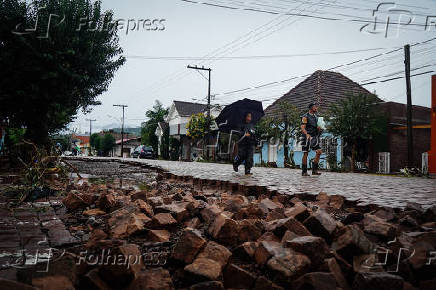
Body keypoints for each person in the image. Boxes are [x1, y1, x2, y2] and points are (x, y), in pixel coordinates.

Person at [301, 103, 323, 176]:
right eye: (315, 107)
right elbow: (303, 127)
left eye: (316, 107)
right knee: (306, 153)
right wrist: (307, 134)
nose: (316, 108)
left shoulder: (316, 117)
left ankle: (314, 170)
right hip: (306, 136)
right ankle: (304, 172)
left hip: (314, 137)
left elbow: (316, 127)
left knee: (319, 152)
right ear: (311, 108)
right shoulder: (305, 116)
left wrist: (319, 128)